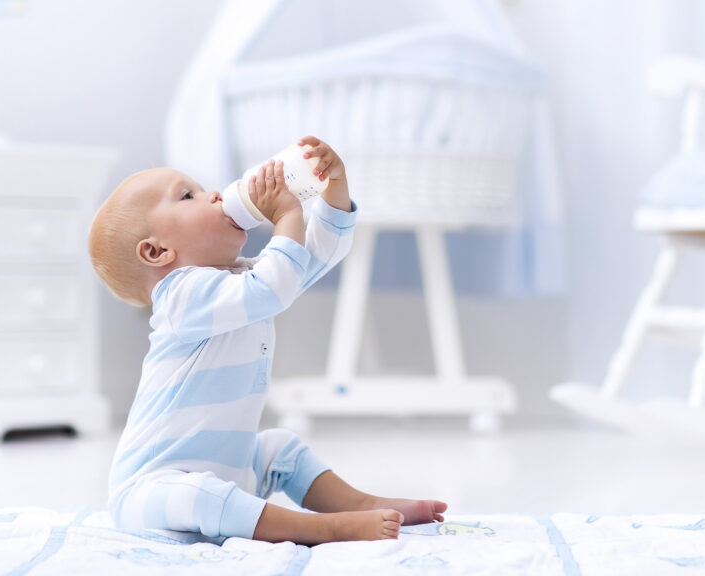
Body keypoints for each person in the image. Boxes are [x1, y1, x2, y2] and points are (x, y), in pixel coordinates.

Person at [88, 136, 447, 545]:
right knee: (200, 495)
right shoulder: (179, 297)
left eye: (205, 188)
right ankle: (323, 529)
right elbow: (275, 285)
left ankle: (359, 503)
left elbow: (312, 258)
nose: (216, 196)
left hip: (230, 473)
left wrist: (333, 189)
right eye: (189, 195)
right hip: (151, 493)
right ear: (156, 252)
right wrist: (286, 215)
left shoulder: (239, 279)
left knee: (279, 447)